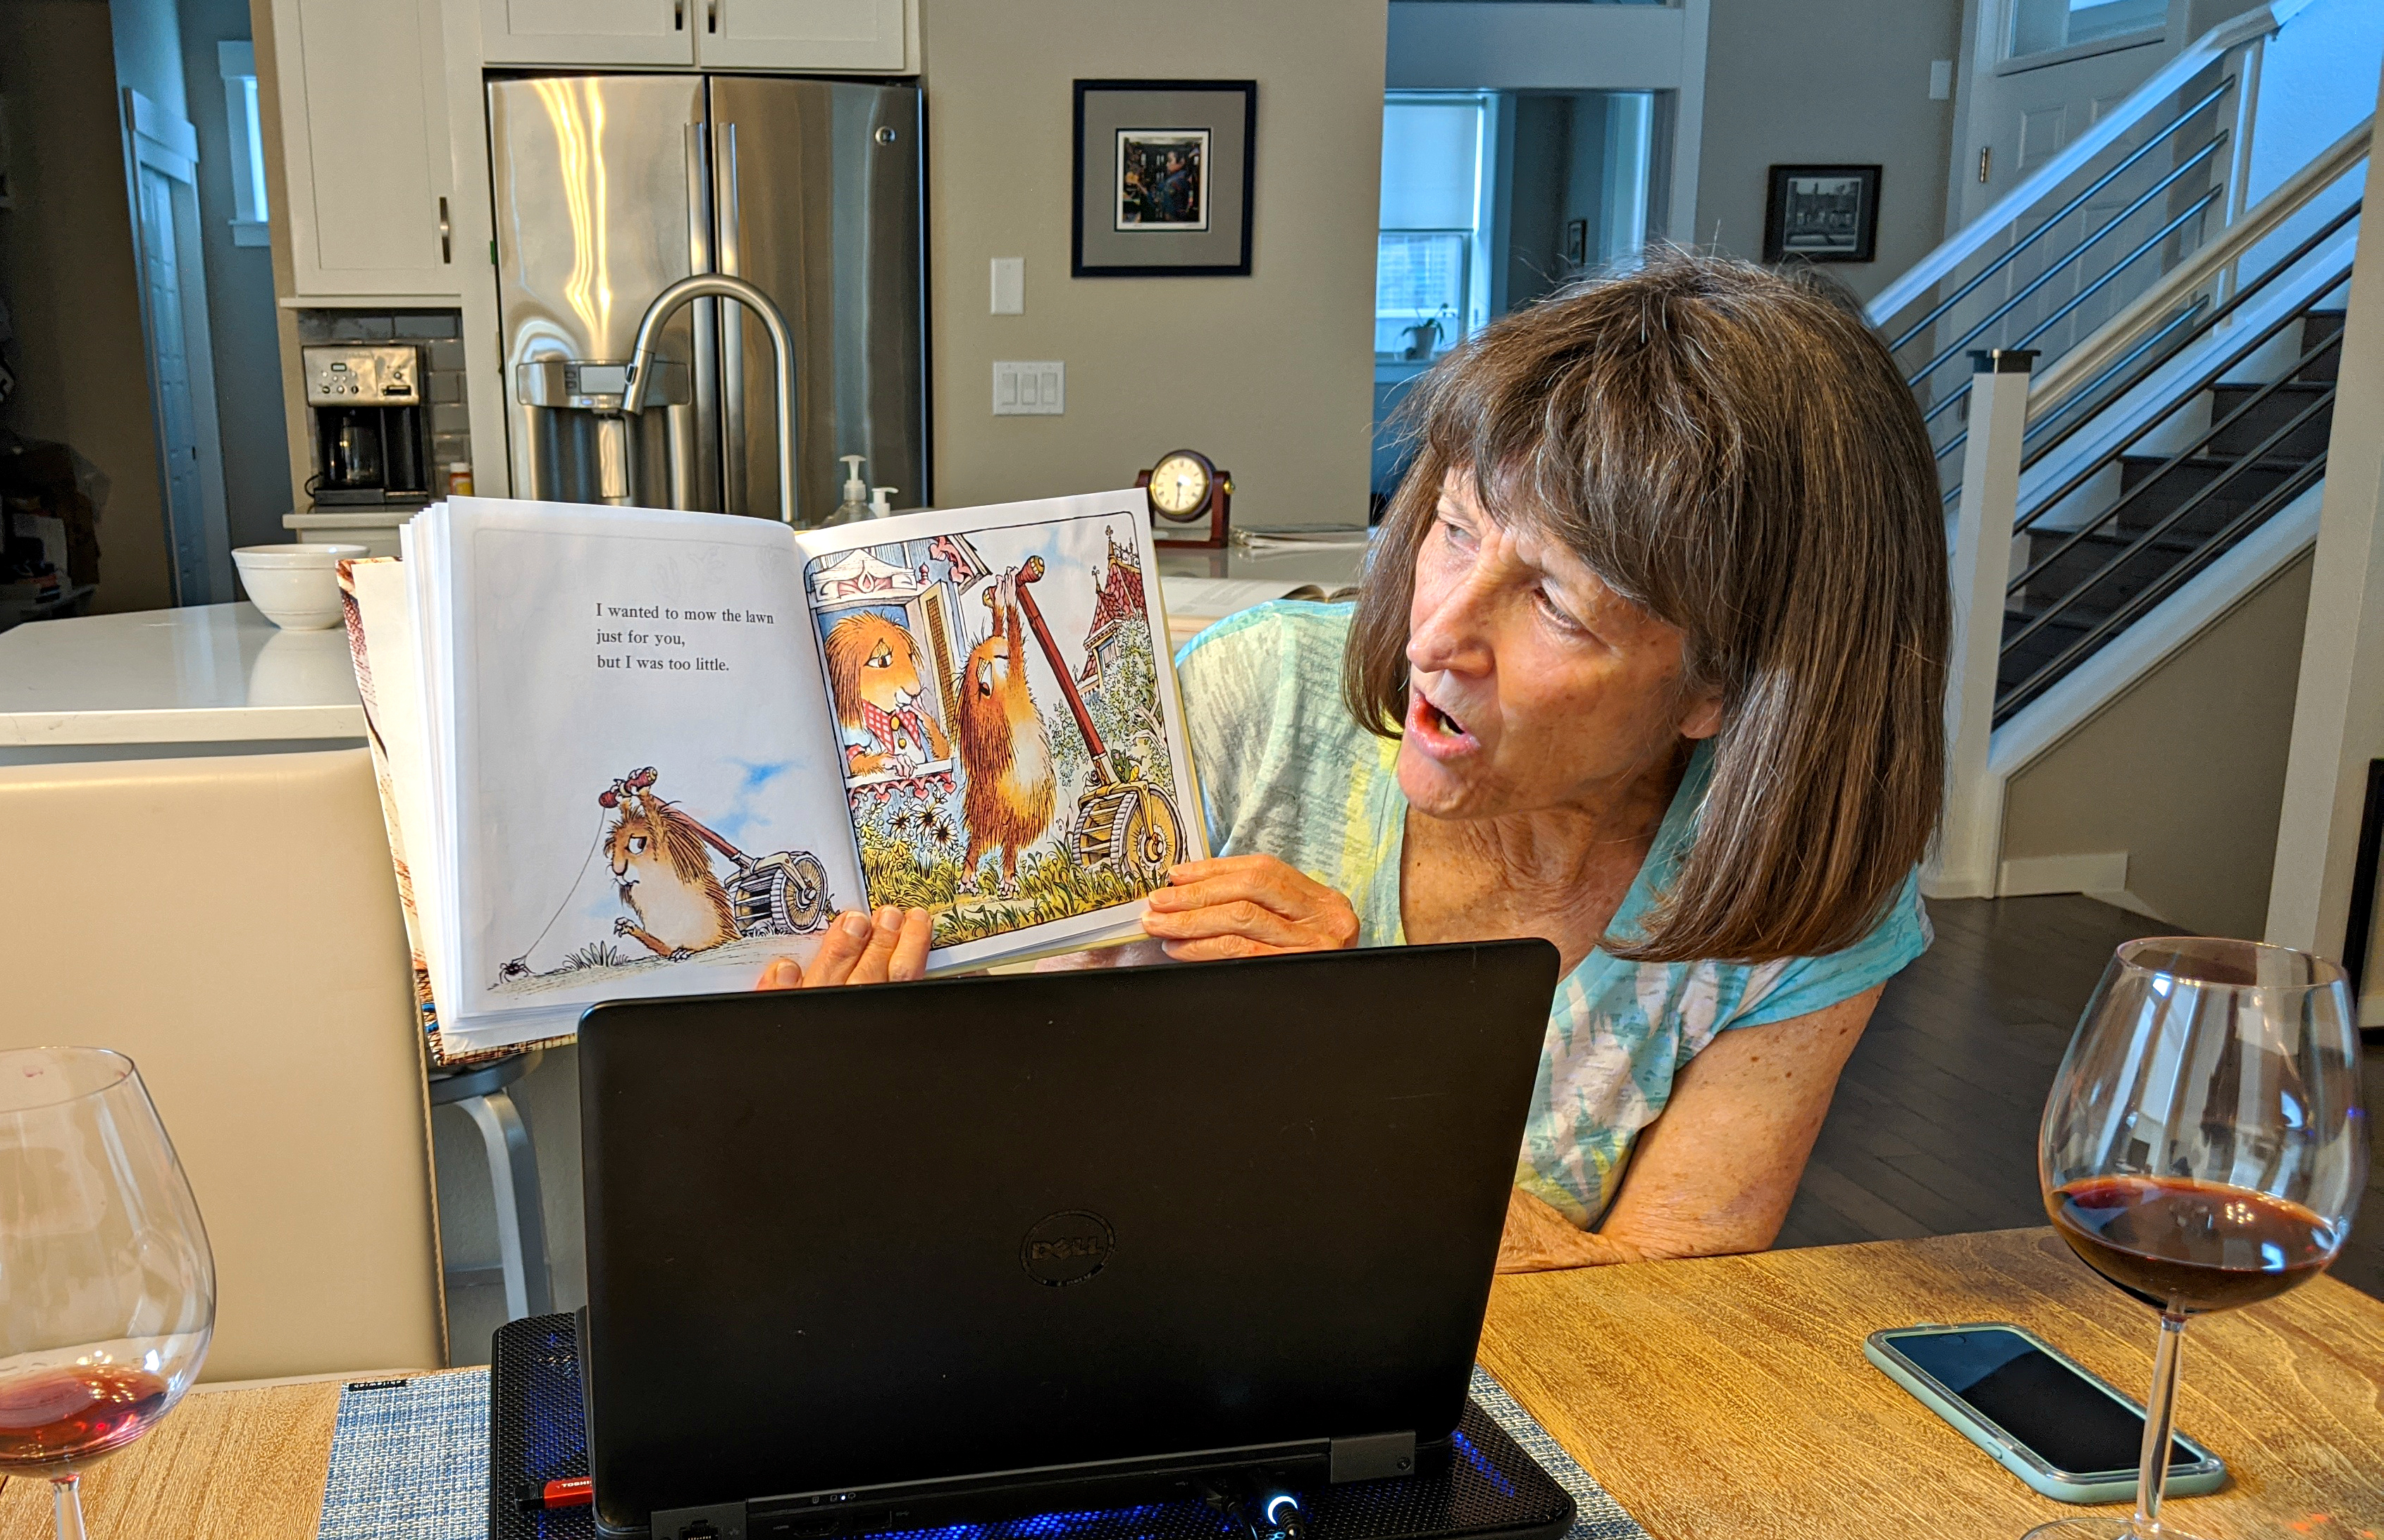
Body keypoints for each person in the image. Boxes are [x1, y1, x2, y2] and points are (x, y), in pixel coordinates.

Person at [766, 252, 1949, 1271]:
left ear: (1725, 686)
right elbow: (1015, 1164)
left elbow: (1660, 1322)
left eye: (1556, 603)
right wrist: (881, 1065)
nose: (1436, 637)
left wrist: (1341, 1065)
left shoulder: (1803, 890)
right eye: (1454, 529)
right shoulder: (1259, 700)